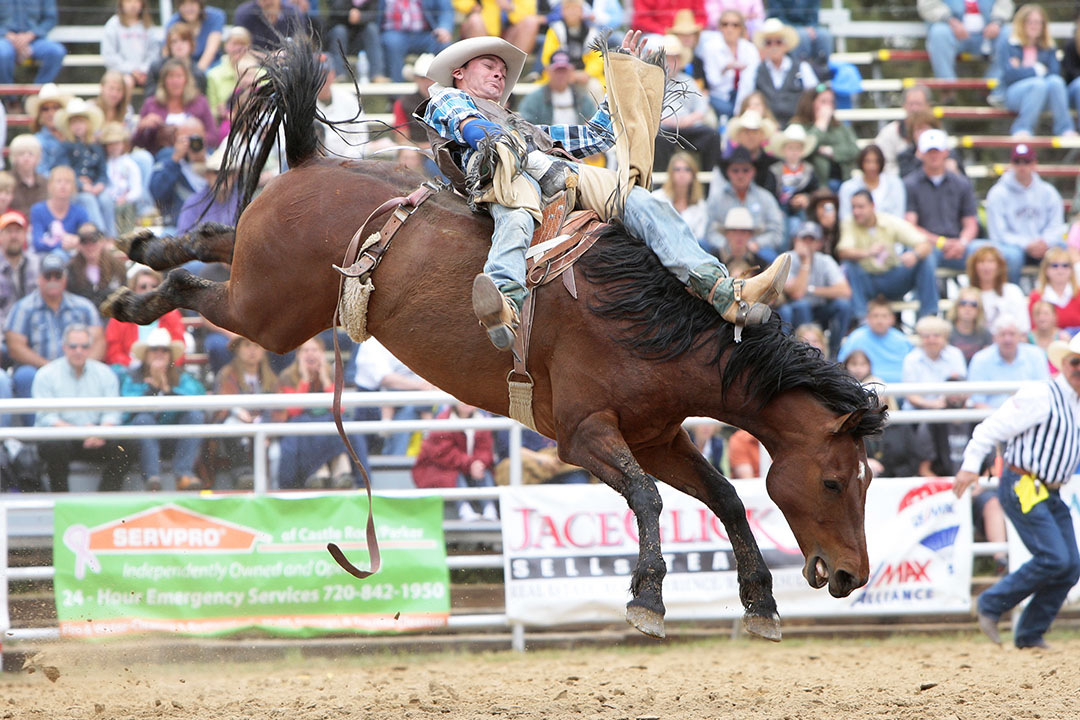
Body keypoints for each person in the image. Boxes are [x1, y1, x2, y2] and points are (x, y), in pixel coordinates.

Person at [422, 35, 791, 351]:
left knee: (639, 199)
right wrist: (513, 148)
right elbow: (468, 125)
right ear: (459, 72)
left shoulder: (521, 123)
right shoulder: (446, 98)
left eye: (502, 69)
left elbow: (596, 138)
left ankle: (721, 289)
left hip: (553, 173)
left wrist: (622, 78)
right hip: (502, 178)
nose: (499, 73)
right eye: (489, 65)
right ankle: (503, 301)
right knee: (516, 212)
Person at [953, 332, 1080, 650]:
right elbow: (990, 428)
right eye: (1076, 362)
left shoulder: (1073, 402)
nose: (1079, 368)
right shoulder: (1041, 394)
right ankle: (991, 603)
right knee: (1054, 557)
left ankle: (1029, 633)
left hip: (1048, 490)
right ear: (1064, 364)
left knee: (1070, 565)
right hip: (1023, 483)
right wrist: (970, 465)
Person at [30, 324, 132, 491]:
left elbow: (112, 414)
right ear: (64, 348)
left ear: (90, 348)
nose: (78, 351)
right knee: (54, 446)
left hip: (97, 437)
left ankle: (106, 500)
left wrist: (100, 432)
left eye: (84, 346)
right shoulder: (46, 374)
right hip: (64, 437)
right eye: (73, 346)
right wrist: (81, 432)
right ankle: (61, 500)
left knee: (128, 445)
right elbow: (46, 418)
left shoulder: (105, 373)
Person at [4, 252, 103, 399]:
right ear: (39, 279)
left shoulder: (84, 307)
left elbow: (99, 341)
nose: (53, 280)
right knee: (25, 375)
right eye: (47, 276)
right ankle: (34, 422)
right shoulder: (23, 308)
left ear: (65, 278)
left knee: (103, 373)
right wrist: (50, 367)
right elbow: (15, 347)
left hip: (79, 367)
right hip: (39, 369)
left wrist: (81, 365)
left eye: (58, 276)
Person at [121, 327, 207, 491]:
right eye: (154, 350)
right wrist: (153, 389)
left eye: (164, 350)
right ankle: (152, 478)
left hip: (176, 440)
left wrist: (167, 390)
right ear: (146, 354)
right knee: (143, 419)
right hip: (141, 441)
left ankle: (184, 474)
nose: (159, 354)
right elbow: (128, 407)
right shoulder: (132, 377)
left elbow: (195, 400)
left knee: (195, 416)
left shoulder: (183, 378)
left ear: (170, 356)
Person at [837, 189, 939, 321]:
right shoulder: (849, 223)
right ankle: (861, 318)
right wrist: (868, 253)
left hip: (893, 277)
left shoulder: (890, 221)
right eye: (853, 207)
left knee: (926, 259)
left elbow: (924, 244)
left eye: (861, 207)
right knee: (850, 265)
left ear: (872, 206)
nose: (856, 212)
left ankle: (929, 315)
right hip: (867, 281)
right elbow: (843, 252)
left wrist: (915, 255)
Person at [277, 336, 363, 489]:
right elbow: (294, 410)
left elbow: (339, 408)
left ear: (323, 353)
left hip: (328, 423)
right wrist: (304, 379)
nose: (310, 354)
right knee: (308, 427)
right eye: (305, 350)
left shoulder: (333, 374)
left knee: (343, 426)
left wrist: (325, 379)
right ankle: (327, 471)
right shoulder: (287, 376)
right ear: (298, 355)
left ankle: (343, 474)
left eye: (315, 350)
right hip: (301, 426)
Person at [904, 128, 982, 272]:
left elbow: (971, 222)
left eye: (937, 151)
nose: (934, 155)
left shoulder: (962, 183)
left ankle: (981, 295)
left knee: (990, 255)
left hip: (959, 244)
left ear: (946, 152)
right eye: (929, 151)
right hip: (928, 245)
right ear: (920, 154)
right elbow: (910, 226)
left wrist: (962, 243)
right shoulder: (910, 184)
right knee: (923, 256)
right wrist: (941, 242)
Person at [212, 336, 287, 486]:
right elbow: (221, 405)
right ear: (238, 350)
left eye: (257, 346)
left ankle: (273, 489)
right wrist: (236, 411)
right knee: (231, 426)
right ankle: (243, 472)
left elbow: (280, 410)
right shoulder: (227, 374)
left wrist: (267, 429)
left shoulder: (271, 378)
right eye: (247, 345)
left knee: (276, 454)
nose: (252, 350)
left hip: (265, 429)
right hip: (238, 430)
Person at [986, 144, 1066, 283]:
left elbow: (1056, 225)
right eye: (1017, 162)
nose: (1022, 167)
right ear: (1011, 164)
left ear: (1034, 163)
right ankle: (1011, 298)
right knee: (1012, 257)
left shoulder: (1048, 192)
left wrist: (1045, 242)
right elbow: (998, 233)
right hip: (1013, 247)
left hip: (1044, 245)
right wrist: (1026, 244)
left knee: (1064, 252)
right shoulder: (997, 193)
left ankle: (1060, 301)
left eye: (1026, 162)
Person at [995, 4, 1076, 138]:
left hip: (1044, 95)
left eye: (1038, 22)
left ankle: (1065, 129)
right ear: (1022, 23)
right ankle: (1022, 128)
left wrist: (1022, 70)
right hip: (1014, 94)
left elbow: (1054, 73)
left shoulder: (1049, 46)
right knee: (1038, 84)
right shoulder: (1009, 43)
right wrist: (1036, 70)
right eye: (1030, 22)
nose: (1034, 26)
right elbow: (1009, 75)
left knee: (1056, 82)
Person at [412, 401, 499, 521]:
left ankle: (490, 509)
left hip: (466, 468)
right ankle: (464, 510)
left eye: (470, 399)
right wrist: (470, 464)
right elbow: (443, 453)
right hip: (439, 469)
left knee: (483, 471)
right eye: (461, 399)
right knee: (454, 475)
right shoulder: (443, 420)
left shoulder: (482, 420)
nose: (466, 402)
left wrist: (478, 463)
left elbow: (485, 449)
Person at [779, 220, 852, 359]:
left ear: (819, 243)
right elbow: (797, 294)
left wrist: (812, 289)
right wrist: (805, 262)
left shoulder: (825, 260)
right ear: (795, 240)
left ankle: (834, 352)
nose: (807, 244)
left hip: (819, 308)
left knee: (843, 306)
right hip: (794, 311)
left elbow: (845, 291)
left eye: (812, 240)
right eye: (803, 239)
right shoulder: (786, 258)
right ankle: (802, 351)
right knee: (802, 305)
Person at [652, 35, 721, 173]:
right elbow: (648, 109)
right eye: (668, 58)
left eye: (675, 58)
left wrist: (690, 120)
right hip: (663, 128)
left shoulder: (689, 81)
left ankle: (708, 181)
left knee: (712, 136)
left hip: (688, 126)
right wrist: (666, 120)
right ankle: (660, 183)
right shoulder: (653, 81)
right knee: (658, 139)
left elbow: (702, 107)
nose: (671, 63)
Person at [705, 145, 784, 261]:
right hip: (722, 250)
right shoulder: (716, 199)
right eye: (735, 170)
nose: (740, 175)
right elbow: (709, 231)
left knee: (771, 259)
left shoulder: (765, 198)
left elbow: (776, 232)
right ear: (728, 172)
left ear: (753, 172)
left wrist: (757, 243)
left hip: (757, 249)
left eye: (745, 170)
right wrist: (727, 245)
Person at [104, 266, 188, 370]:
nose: (149, 291)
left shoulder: (172, 315)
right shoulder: (120, 317)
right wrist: (133, 365)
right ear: (133, 290)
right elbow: (113, 353)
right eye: (143, 287)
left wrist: (161, 367)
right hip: (129, 370)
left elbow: (179, 353)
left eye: (154, 286)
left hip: (165, 370)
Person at [134, 58, 219, 155]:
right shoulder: (152, 104)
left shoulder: (200, 102)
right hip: (163, 155)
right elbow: (138, 143)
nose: (175, 81)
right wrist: (142, 126)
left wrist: (192, 136)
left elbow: (213, 137)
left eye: (179, 76)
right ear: (164, 81)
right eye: (171, 77)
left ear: (186, 80)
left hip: (193, 154)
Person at [967, 313, 1049, 408]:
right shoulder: (980, 359)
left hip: (1031, 417)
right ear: (995, 337)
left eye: (1012, 334)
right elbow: (977, 401)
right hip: (990, 418)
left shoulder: (1036, 355)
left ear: (1020, 336)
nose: (1007, 339)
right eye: (1002, 334)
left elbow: (1043, 393)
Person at [58, 98, 113, 236]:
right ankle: (100, 234)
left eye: (81, 121)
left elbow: (102, 171)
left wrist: (100, 184)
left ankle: (112, 236)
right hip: (76, 190)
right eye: (74, 122)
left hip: (94, 186)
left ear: (88, 124)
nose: (78, 126)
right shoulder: (65, 147)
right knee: (88, 199)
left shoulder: (96, 147)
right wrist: (81, 184)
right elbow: (64, 171)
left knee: (106, 199)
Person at [919, 0, 1011, 80]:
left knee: (1008, 33)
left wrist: (997, 22)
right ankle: (947, 87)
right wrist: (950, 20)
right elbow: (928, 5)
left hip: (988, 37)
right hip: (951, 34)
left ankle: (994, 88)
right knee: (939, 32)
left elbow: (1005, 5)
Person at [752, 17, 818, 126]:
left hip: (799, 125)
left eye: (778, 42)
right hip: (766, 127)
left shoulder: (802, 68)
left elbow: (814, 96)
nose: (774, 46)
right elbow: (745, 100)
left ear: (786, 45)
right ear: (764, 47)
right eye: (769, 42)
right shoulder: (755, 70)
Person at [792, 85, 859, 190]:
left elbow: (854, 150)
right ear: (811, 103)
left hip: (844, 181)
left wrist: (831, 151)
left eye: (831, 102)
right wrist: (820, 126)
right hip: (813, 185)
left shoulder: (841, 127)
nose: (828, 106)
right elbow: (804, 150)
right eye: (823, 102)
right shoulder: (798, 126)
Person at [148, 117, 210, 228]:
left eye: (196, 138)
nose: (192, 144)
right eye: (186, 139)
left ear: (204, 137)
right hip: (177, 225)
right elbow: (156, 193)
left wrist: (205, 162)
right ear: (176, 139)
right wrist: (175, 160)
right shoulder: (168, 157)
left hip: (210, 225)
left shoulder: (215, 157)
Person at [837, 296, 912, 384]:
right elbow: (843, 366)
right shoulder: (855, 338)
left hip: (901, 391)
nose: (879, 320)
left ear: (892, 319)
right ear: (868, 318)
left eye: (884, 316)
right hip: (864, 389)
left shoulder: (902, 340)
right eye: (875, 316)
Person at [701, 8, 760, 119]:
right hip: (719, 97)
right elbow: (713, 82)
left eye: (735, 25)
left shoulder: (750, 49)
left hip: (744, 96)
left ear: (741, 28)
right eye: (725, 24)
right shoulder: (710, 48)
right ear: (719, 27)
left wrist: (740, 107)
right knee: (724, 108)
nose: (730, 28)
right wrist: (726, 68)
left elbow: (750, 81)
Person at [517, 50, 598, 127]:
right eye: (557, 71)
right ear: (548, 71)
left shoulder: (582, 98)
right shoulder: (534, 99)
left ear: (571, 72)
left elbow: (594, 121)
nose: (560, 75)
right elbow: (525, 124)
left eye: (564, 71)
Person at [901, 316, 968, 410]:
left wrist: (943, 403)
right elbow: (911, 395)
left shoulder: (955, 354)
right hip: (917, 413)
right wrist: (930, 404)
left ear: (945, 337)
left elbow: (960, 386)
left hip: (949, 409)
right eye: (926, 336)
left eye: (936, 335)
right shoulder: (911, 358)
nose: (931, 340)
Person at [380, 0, 453, 83]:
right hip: (394, 33)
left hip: (426, 34)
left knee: (443, 44)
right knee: (392, 43)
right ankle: (396, 91)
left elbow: (445, 10)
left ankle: (445, 86)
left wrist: (444, 28)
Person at [538, 0, 605, 90]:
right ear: (562, 11)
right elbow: (547, 58)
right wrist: (566, 74)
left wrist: (587, 74)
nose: (572, 12)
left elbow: (597, 59)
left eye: (575, 9)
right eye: (568, 9)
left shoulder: (592, 33)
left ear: (582, 11)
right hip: (560, 73)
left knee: (595, 87)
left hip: (584, 75)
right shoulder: (555, 31)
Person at [766, 123, 818, 239]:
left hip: (801, 207)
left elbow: (815, 190)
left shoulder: (809, 170)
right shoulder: (775, 170)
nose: (794, 152)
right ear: (784, 150)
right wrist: (776, 208)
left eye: (798, 148)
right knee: (783, 224)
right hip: (781, 206)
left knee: (803, 221)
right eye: (791, 148)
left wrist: (806, 198)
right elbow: (769, 192)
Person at [0, 0, 66, 88]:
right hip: (5, 39)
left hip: (35, 39)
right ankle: (9, 98)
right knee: (2, 53)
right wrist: (7, 34)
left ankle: (37, 93)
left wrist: (30, 35)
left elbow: (50, 19)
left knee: (57, 51)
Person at [967, 244, 1029, 334]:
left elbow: (1023, 327)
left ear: (999, 266)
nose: (986, 267)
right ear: (974, 267)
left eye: (990, 261)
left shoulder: (1013, 291)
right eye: (981, 262)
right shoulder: (968, 295)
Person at [873, 84, 932, 175]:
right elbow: (880, 166)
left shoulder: (936, 132)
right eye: (911, 104)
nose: (914, 109)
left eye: (918, 104)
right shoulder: (889, 132)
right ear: (904, 106)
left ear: (928, 106)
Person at [29, 166, 89, 255]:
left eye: (67, 182)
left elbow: (87, 240)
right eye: (58, 181)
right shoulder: (38, 210)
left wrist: (77, 241)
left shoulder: (81, 212)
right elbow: (38, 243)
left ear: (73, 187)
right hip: (45, 258)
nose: (63, 185)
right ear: (50, 185)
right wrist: (62, 244)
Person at [101, 0, 159, 92]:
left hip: (145, 72)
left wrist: (143, 70)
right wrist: (132, 70)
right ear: (121, 4)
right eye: (129, 1)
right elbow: (109, 55)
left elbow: (153, 53)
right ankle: (125, 107)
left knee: (160, 83)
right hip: (121, 73)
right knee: (126, 82)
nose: (133, 5)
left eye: (137, 1)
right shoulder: (113, 25)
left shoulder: (148, 25)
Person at [837, 144, 906, 221]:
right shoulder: (847, 187)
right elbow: (845, 219)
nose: (872, 166)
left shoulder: (895, 184)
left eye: (876, 161)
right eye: (867, 161)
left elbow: (899, 216)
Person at [65, 224, 126, 308]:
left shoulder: (117, 267)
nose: (89, 246)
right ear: (79, 245)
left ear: (102, 241)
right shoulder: (71, 270)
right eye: (84, 241)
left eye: (94, 239)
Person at [653, 151, 708, 244]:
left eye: (687, 169)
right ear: (671, 173)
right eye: (677, 169)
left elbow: (699, 236)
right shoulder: (657, 198)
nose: (682, 173)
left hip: (690, 250)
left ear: (693, 174)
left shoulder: (700, 205)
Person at [326, 0, 386, 81]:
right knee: (339, 31)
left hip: (361, 39)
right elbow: (334, 10)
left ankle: (377, 74)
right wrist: (349, 14)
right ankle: (339, 74)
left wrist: (360, 17)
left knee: (372, 29)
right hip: (341, 36)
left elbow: (374, 15)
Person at [145, 22, 209, 99]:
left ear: (191, 44)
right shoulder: (157, 68)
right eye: (174, 41)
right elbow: (150, 98)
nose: (179, 45)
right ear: (169, 45)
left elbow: (201, 102)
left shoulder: (198, 74)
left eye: (184, 40)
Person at [101, 122, 144, 235]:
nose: (114, 147)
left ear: (123, 144)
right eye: (110, 144)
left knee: (125, 210)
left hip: (125, 203)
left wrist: (126, 198)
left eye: (117, 143)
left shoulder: (130, 164)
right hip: (108, 201)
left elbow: (137, 190)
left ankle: (125, 237)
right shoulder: (103, 163)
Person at [207, 26, 256, 125]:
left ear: (249, 47)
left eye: (242, 44)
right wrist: (219, 112)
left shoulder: (261, 74)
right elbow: (211, 110)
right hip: (226, 124)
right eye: (234, 44)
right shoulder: (214, 75)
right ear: (226, 46)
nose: (238, 48)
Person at [723, 108, 778, 195]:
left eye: (755, 131)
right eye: (746, 131)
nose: (750, 136)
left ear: (762, 135)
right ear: (739, 135)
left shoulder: (772, 164)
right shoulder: (726, 164)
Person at [1028, 248, 1080, 331]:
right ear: (1045, 270)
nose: (1060, 270)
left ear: (1071, 270)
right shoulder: (1036, 297)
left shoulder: (1079, 294)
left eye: (1065, 265)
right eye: (1054, 266)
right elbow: (1033, 329)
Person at [167, 0, 226, 72]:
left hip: (211, 66)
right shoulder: (173, 22)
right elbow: (167, 53)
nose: (188, 8)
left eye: (192, 3)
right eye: (183, 4)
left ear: (200, 4)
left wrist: (196, 75)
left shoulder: (215, 17)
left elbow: (211, 51)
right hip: (183, 69)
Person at [768, 0, 832, 66]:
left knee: (824, 35)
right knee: (802, 36)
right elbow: (777, 17)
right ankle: (801, 68)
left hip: (807, 27)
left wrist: (811, 27)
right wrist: (803, 29)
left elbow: (814, 15)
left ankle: (822, 68)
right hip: (785, 26)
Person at [234, 0, 311, 53]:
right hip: (254, 64)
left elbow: (300, 41)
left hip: (287, 63)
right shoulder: (245, 13)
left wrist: (288, 54)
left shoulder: (293, 12)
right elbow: (240, 48)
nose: (267, 2)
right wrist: (271, 57)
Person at [707, 206, 765, 277]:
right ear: (727, 234)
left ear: (750, 234)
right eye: (734, 231)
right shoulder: (714, 261)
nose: (739, 236)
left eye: (743, 231)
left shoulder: (759, 263)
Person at [28, 82, 70, 175]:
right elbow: (40, 173)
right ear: (40, 114)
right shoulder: (36, 141)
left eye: (55, 108)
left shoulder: (73, 136)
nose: (51, 113)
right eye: (45, 109)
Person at [948, 287, 993, 364]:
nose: (967, 308)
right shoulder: (947, 332)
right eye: (963, 303)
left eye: (973, 305)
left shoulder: (985, 334)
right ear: (956, 307)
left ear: (979, 310)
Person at [9, 134, 47, 217]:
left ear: (38, 157)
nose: (26, 158)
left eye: (31, 154)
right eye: (21, 154)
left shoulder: (46, 183)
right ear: (14, 157)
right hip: (12, 226)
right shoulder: (5, 181)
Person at [1028, 300, 1069, 374]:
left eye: (1046, 314)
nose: (1041, 318)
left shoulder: (1063, 338)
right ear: (1032, 317)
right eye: (1037, 314)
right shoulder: (1026, 339)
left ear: (1054, 316)